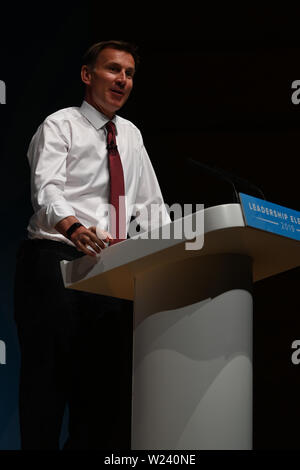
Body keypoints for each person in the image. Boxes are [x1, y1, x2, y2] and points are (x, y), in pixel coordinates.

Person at [14, 40, 170, 450]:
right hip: (56, 262)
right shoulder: (60, 125)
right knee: (47, 386)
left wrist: (173, 253)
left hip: (114, 270)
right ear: (87, 75)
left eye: (130, 74)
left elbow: (152, 207)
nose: (123, 80)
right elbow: (45, 189)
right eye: (113, 70)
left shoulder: (132, 136)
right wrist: (73, 225)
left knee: (103, 398)